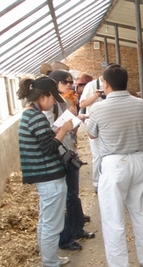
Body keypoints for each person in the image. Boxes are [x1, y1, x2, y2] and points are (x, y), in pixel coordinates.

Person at [87, 64, 143, 267]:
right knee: (142, 215)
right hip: (138, 161)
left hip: (114, 164)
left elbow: (91, 134)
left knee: (113, 220)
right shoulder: (141, 103)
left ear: (105, 84)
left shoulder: (99, 107)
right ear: (126, 82)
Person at [17, 76, 73, 266]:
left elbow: (42, 142)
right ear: (42, 96)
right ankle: (50, 263)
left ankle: (49, 258)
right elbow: (49, 148)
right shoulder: (37, 117)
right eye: (52, 98)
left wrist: (55, 129)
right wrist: (63, 131)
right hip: (49, 177)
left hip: (43, 176)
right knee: (52, 224)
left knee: (45, 220)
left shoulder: (28, 114)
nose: (54, 102)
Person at [46, 70, 95, 251]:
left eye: (70, 82)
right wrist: (68, 120)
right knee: (65, 196)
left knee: (72, 194)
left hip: (69, 151)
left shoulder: (63, 101)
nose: (69, 85)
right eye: (65, 82)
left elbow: (68, 129)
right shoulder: (50, 105)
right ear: (55, 83)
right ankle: (66, 237)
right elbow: (51, 131)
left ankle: (77, 227)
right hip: (59, 153)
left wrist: (75, 119)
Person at [79, 73, 106, 193]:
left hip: (108, 124)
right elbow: (82, 104)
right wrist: (95, 96)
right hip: (94, 123)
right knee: (97, 156)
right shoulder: (90, 86)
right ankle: (97, 183)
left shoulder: (112, 85)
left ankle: (106, 181)